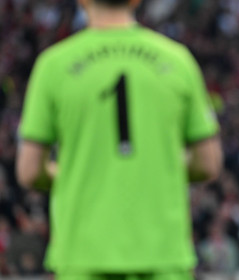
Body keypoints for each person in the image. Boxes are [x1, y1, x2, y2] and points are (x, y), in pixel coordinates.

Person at [16, 0, 222, 279]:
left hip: (83, 254)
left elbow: (29, 171)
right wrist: (157, 170)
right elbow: (208, 163)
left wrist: (76, 174)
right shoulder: (177, 60)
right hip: (162, 253)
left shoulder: (53, 65)